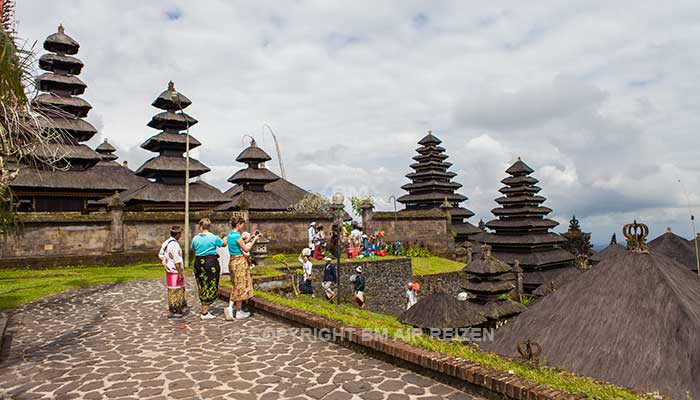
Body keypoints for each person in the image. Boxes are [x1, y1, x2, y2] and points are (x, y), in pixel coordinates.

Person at [225, 216, 260, 320]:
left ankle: (234, 308)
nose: (243, 226)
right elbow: (246, 248)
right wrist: (254, 240)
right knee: (240, 286)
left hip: (232, 261)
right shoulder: (236, 236)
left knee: (236, 285)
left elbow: (240, 243)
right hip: (239, 262)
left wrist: (252, 236)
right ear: (238, 224)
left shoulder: (230, 235)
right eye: (242, 224)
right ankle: (237, 310)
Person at [191, 218, 226, 320]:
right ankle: (205, 311)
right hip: (211, 263)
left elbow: (193, 248)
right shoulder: (214, 237)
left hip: (198, 263)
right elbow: (223, 244)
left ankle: (204, 307)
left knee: (201, 284)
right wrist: (224, 240)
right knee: (210, 284)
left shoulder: (195, 238)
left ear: (200, 227)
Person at [159, 226, 186, 318]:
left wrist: (166, 262)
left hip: (169, 271)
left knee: (172, 290)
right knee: (177, 291)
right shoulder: (175, 245)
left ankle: (173, 308)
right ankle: (176, 310)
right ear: (177, 234)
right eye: (180, 234)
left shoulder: (166, 242)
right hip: (175, 271)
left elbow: (160, 254)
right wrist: (180, 273)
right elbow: (177, 261)